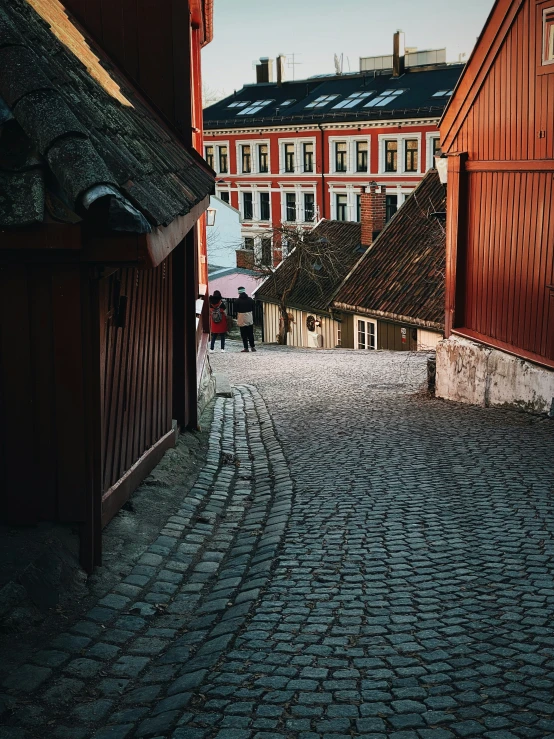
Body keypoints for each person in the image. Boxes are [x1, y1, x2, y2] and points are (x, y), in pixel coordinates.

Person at [236, 286, 256, 353]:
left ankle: (246, 348)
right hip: (249, 317)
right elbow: (253, 308)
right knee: (250, 333)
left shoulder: (237, 301)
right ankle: (252, 347)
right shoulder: (250, 300)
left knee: (243, 334)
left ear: (239, 292)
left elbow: (235, 310)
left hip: (241, 317)